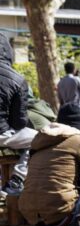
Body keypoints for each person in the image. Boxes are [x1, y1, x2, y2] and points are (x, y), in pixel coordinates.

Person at [0, 37, 36, 195]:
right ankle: (17, 179)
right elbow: (20, 122)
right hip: (3, 134)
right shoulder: (18, 79)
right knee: (40, 138)